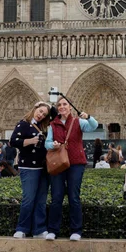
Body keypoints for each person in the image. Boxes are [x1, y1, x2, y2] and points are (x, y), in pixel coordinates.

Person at [46, 96, 98, 241]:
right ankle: (53, 230)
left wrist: (89, 117)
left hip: (76, 163)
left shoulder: (78, 122)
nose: (62, 107)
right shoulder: (52, 125)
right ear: (57, 108)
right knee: (56, 197)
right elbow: (47, 143)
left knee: (74, 197)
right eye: (59, 105)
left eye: (65, 104)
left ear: (70, 107)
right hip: (59, 163)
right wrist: (53, 145)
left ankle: (76, 230)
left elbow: (93, 126)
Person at [9, 101, 52, 239]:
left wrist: (49, 105)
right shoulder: (24, 124)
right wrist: (31, 141)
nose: (41, 115)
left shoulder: (44, 126)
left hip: (44, 167)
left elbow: (57, 115)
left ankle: (39, 230)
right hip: (29, 167)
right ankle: (22, 228)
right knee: (28, 199)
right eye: (40, 111)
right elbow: (13, 141)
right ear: (34, 109)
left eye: (44, 114)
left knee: (41, 200)